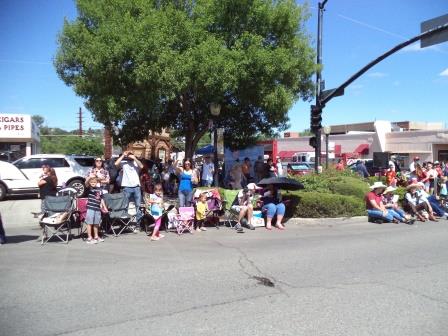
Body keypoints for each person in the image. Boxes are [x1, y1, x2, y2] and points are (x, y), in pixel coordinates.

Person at [115, 151, 144, 229]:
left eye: (130, 154)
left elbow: (141, 166)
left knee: (138, 205)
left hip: (136, 187)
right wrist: (123, 155)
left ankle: (138, 223)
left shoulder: (136, 163)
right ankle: (125, 223)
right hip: (127, 187)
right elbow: (116, 164)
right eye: (129, 155)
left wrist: (134, 158)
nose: (129, 156)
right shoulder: (123, 163)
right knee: (125, 205)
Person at [85, 177, 108, 244]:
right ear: (89, 183)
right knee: (89, 223)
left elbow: (102, 199)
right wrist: (90, 177)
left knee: (96, 223)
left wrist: (105, 207)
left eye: (94, 182)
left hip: (97, 209)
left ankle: (96, 236)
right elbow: (86, 183)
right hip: (90, 209)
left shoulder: (99, 190)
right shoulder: (89, 189)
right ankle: (89, 238)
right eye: (91, 182)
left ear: (97, 182)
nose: (93, 183)